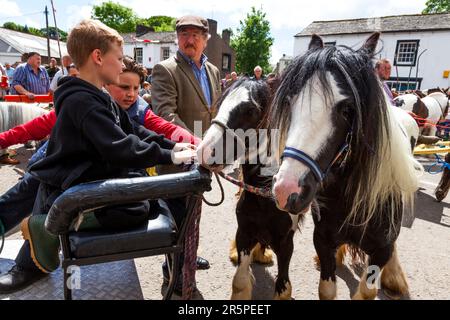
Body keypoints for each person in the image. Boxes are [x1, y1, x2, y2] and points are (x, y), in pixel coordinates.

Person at [0, 19, 197, 294]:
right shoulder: (83, 102)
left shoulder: (99, 97)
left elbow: (135, 131)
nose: (121, 64)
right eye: (118, 58)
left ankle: (55, 223)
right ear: (98, 57)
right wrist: (167, 155)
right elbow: (120, 147)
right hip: (70, 184)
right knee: (135, 208)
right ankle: (55, 223)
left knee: (144, 201)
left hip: (87, 176)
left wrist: (172, 146)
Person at [152, 15, 221, 134]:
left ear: (205, 40)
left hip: (213, 145)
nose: (190, 40)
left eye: (195, 34)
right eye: (184, 34)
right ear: (177, 38)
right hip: (185, 148)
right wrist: (195, 142)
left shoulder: (214, 71)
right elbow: (166, 115)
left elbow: (217, 110)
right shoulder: (164, 70)